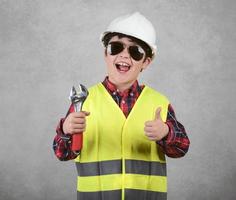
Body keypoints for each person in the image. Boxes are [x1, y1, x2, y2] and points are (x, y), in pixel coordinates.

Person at [53, 12, 190, 200]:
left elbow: (182, 148)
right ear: (105, 53)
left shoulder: (159, 103)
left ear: (146, 62)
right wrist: (66, 130)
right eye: (116, 47)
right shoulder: (83, 101)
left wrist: (166, 132)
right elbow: (62, 153)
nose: (124, 55)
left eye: (136, 52)